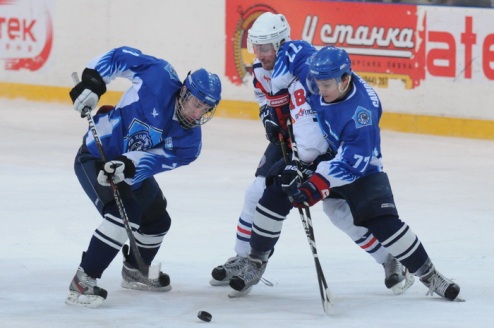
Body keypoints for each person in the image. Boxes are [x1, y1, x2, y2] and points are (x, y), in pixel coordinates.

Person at [230, 45, 463, 302]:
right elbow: (292, 51)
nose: (319, 91)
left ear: (345, 79)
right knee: (274, 193)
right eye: (316, 83)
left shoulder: (361, 116)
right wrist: (275, 106)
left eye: (326, 85)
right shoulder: (317, 74)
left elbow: (350, 164)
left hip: (360, 162)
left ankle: (429, 275)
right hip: (323, 148)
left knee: (382, 221)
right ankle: (256, 262)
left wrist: (313, 187)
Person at [210, 12, 413, 295]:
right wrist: (268, 114)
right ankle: (246, 258)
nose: (259, 54)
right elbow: (262, 95)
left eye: (264, 47)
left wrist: (302, 161)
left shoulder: (308, 71)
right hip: (290, 140)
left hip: (321, 147)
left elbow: (323, 116)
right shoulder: (260, 68)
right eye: (255, 47)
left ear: (281, 44)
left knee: (338, 211)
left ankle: (389, 259)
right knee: (256, 191)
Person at [65, 46, 222, 308]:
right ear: (184, 92)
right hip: (95, 155)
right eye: (196, 104)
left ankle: (136, 270)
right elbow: (118, 56)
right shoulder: (158, 77)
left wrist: (126, 165)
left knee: (157, 219)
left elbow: (152, 161)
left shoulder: (190, 145)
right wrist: (93, 82)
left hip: (124, 166)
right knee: (123, 213)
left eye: (205, 109)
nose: (197, 114)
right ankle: (83, 280)